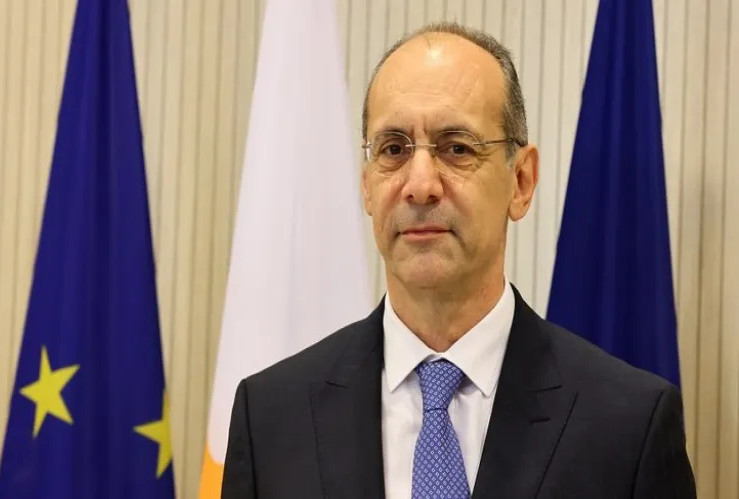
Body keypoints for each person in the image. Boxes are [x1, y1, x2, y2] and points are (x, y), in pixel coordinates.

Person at [221, 21, 697, 499]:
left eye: (456, 148)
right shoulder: (269, 419)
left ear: (521, 182)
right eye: (393, 149)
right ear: (366, 185)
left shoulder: (629, 427)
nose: (420, 185)